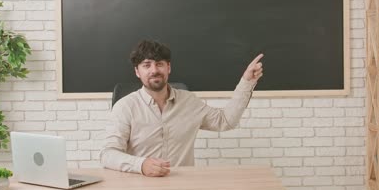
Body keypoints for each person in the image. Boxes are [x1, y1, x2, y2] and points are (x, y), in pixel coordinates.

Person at [100, 40, 263, 177]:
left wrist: (247, 81)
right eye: (146, 65)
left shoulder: (189, 101)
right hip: (140, 187)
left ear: (168, 67)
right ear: (137, 71)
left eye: (159, 64)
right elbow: (108, 155)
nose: (154, 70)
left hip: (184, 187)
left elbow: (226, 121)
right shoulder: (125, 107)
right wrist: (141, 165)